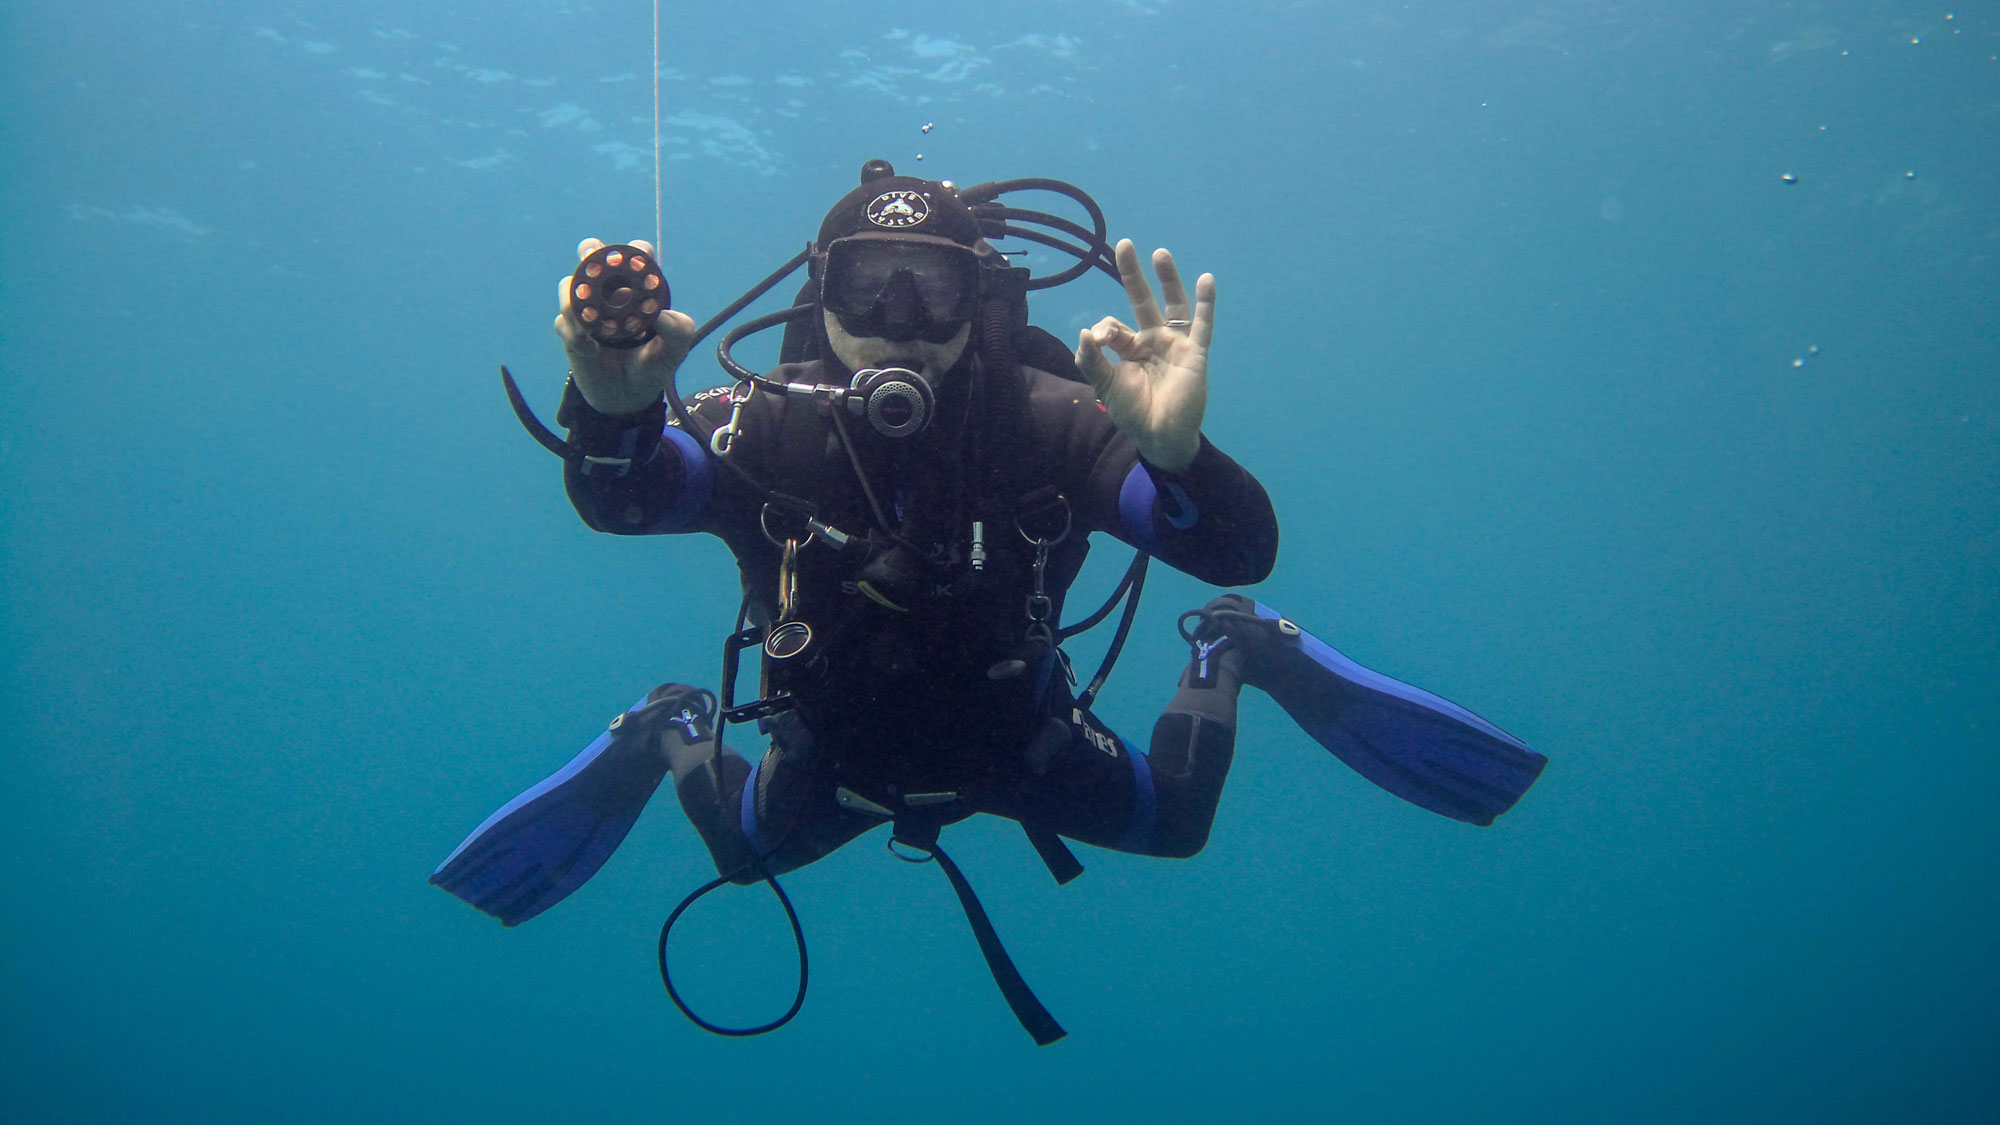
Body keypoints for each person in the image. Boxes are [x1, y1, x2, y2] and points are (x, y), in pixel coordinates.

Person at [433, 163, 1545, 1040]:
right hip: (831, 753)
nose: (902, 315)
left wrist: (1178, 452)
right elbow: (626, 503)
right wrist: (613, 415)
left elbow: (1237, 543)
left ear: (981, 294)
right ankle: (676, 726)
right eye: (869, 283)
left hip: (1022, 736)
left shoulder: (1051, 416)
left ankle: (1233, 653)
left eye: (935, 283)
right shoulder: (763, 420)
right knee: (740, 850)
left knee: (1179, 826)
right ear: (822, 294)